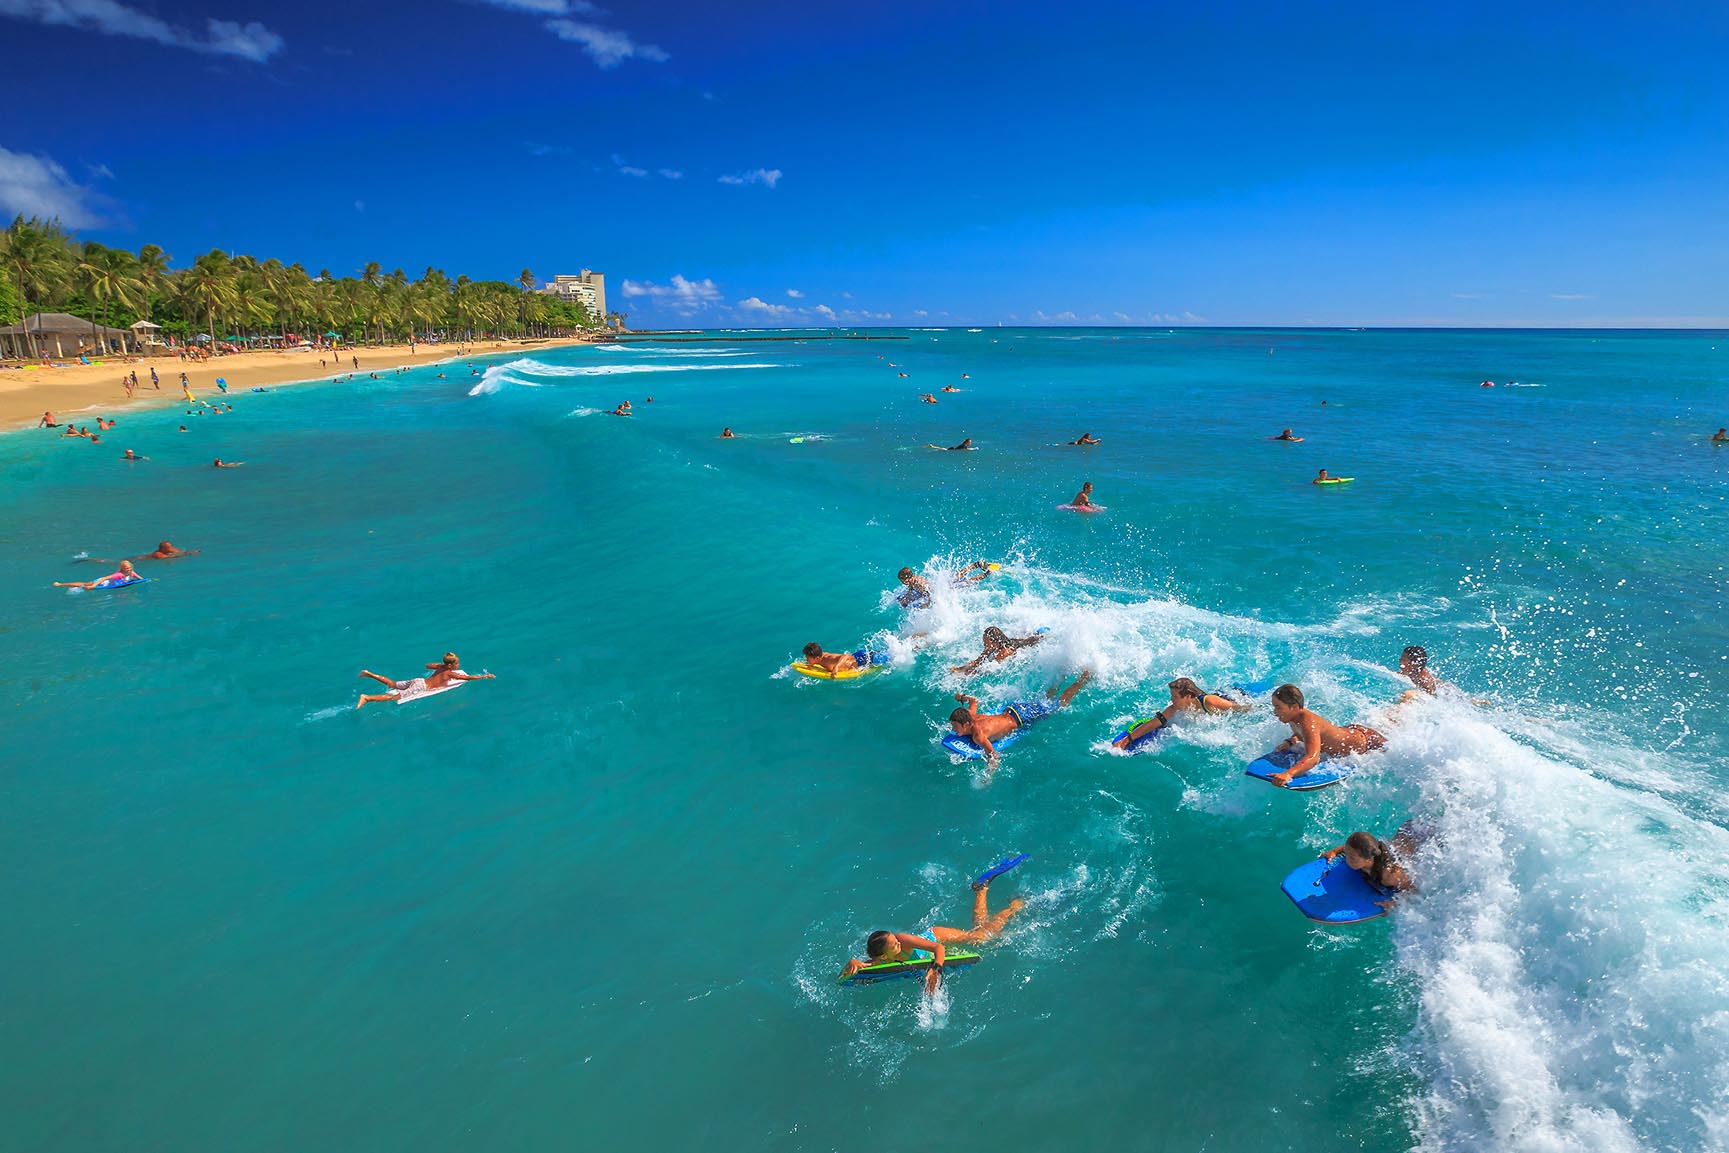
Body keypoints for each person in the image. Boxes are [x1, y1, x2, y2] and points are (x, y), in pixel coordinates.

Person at [838, 876, 1025, 995]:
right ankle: (981, 889)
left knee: (981, 937)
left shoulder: (903, 939)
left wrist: (936, 969)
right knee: (979, 930)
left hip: (935, 937)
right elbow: (843, 980)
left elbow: (938, 948)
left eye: (896, 941)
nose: (898, 944)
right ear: (884, 956)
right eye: (893, 945)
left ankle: (1013, 907)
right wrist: (850, 964)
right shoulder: (877, 962)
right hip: (919, 953)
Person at [949, 670, 1092, 770]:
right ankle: (1062, 674)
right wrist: (961, 697)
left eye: (956, 727)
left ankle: (1083, 679)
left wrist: (988, 775)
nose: (953, 730)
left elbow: (994, 755)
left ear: (966, 724)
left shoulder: (978, 736)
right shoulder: (970, 715)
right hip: (1013, 708)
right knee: (1046, 701)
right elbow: (974, 701)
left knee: (1057, 706)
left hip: (1021, 718)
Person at [1265, 684, 1386, 787]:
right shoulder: (1292, 717)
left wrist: (1288, 774)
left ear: (1294, 707)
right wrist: (1290, 741)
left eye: (1278, 707)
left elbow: (1313, 758)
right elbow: (1302, 734)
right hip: (1350, 732)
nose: (1275, 712)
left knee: (1392, 750)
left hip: (1368, 740)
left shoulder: (1308, 722)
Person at [1112, 677, 1253, 748]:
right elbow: (1155, 722)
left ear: (1188, 696)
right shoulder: (1176, 707)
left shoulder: (1209, 702)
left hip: (1230, 697)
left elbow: (1239, 709)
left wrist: (1258, 710)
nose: (1171, 699)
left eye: (1174, 696)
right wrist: (1127, 740)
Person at [1319, 826, 1423, 909]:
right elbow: (1350, 848)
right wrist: (1334, 852)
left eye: (1352, 858)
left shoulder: (1389, 875)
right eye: (1347, 853)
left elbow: (1414, 890)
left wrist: (1394, 903)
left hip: (1422, 837)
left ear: (1368, 859)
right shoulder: (1368, 850)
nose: (1347, 860)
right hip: (1408, 832)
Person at [356, 652, 494, 708]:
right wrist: (484, 676)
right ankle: (367, 698)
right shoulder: (451, 674)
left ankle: (369, 674)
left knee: (392, 684)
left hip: (418, 680)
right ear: (451, 665)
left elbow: (427, 665)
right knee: (394, 697)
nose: (458, 664)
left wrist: (441, 665)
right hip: (420, 687)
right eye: (457, 663)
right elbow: (468, 678)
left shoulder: (440, 667)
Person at [951, 626, 1044, 674]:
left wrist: (971, 673)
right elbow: (976, 662)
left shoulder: (1005, 651)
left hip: (1027, 645)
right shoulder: (991, 647)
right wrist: (958, 669)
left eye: (986, 642)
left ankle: (1041, 635)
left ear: (995, 641)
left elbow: (992, 668)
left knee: (1035, 639)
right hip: (1016, 642)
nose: (984, 644)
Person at [55, 559, 140, 590]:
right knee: (83, 584)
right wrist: (94, 586)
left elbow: (140, 578)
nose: (128, 569)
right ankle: (61, 584)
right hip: (102, 582)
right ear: (122, 568)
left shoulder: (132, 572)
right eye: (126, 568)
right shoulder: (119, 575)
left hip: (112, 583)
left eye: (129, 568)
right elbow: (104, 579)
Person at [800, 642, 867, 675]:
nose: (806, 659)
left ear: (817, 658)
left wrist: (836, 667)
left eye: (808, 658)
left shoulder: (828, 659)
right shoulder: (819, 657)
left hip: (862, 659)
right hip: (856, 656)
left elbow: (845, 656)